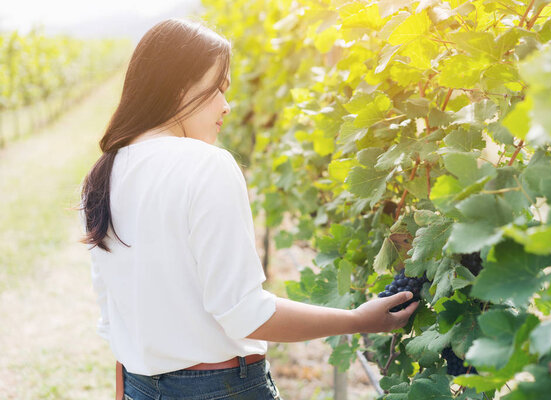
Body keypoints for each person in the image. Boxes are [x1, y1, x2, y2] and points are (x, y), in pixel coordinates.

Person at [78, 18, 419, 400]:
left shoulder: (101, 174)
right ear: (177, 89)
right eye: (217, 90)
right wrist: (358, 320)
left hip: (137, 387)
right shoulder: (207, 164)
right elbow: (244, 312)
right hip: (223, 389)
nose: (227, 105)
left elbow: (113, 321)